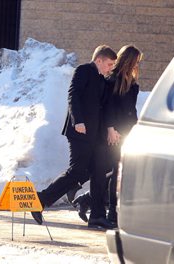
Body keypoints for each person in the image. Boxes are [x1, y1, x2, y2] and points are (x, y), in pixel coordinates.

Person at [31, 45, 117, 228]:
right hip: (79, 131)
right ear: (99, 60)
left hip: (94, 135)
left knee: (98, 171)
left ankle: (96, 214)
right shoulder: (84, 70)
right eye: (109, 64)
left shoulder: (102, 79)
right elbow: (73, 95)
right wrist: (78, 120)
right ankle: (40, 200)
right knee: (77, 170)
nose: (110, 68)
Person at [73, 45, 143, 227]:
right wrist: (111, 129)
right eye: (135, 61)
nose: (137, 64)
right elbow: (109, 106)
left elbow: (131, 109)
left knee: (118, 172)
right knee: (114, 172)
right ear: (129, 60)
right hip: (113, 132)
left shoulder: (131, 82)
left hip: (126, 131)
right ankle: (111, 213)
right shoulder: (112, 79)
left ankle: (89, 201)